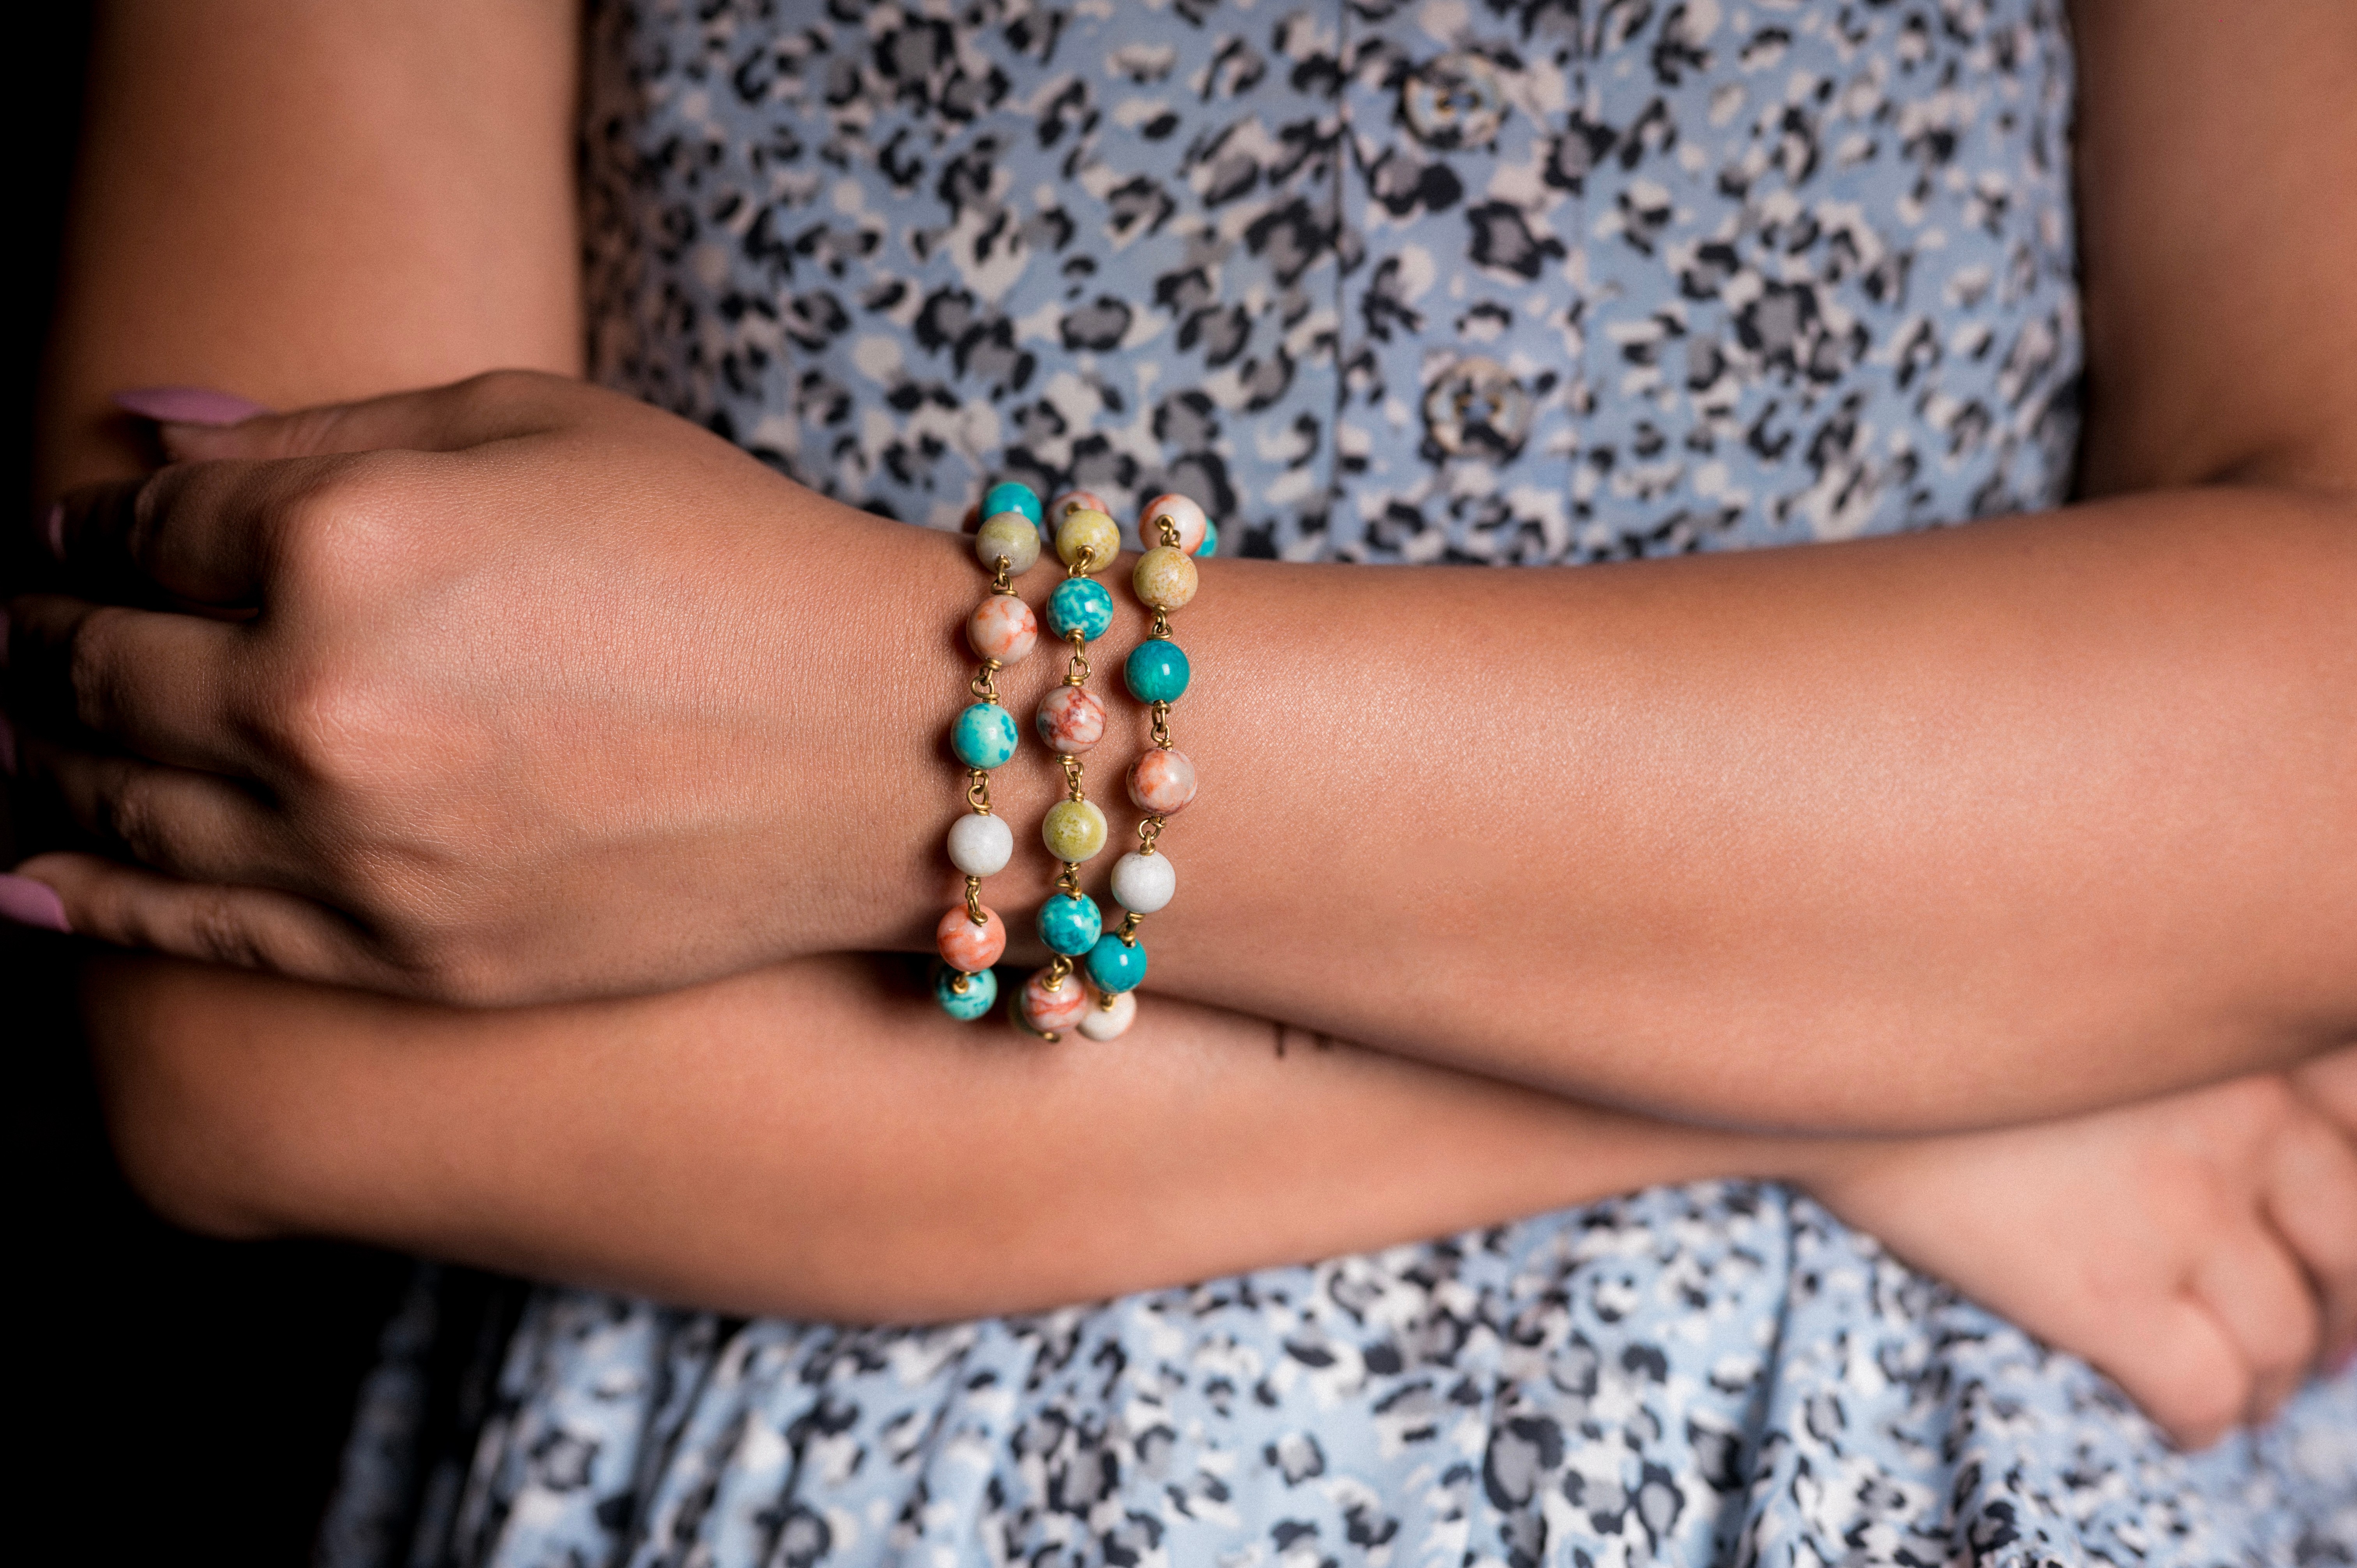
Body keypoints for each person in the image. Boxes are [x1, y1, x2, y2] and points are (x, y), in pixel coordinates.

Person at [7, 0, 2353, 1561]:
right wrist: (1911, 1044)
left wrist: (869, 726)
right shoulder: (1992, 1068)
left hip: (1936, 1453)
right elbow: (254, 1040)